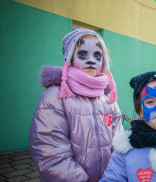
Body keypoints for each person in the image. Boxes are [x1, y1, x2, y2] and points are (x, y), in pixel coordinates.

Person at [29, 28, 124, 182]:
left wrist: (115, 176)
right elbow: (51, 154)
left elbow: (119, 145)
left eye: (97, 55)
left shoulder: (108, 99)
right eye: (82, 54)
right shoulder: (56, 97)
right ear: (70, 59)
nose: (91, 60)